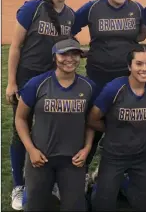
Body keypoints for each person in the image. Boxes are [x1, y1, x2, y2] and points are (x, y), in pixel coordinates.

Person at [5, 0, 75, 210]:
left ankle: (51, 180)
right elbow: (16, 47)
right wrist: (11, 81)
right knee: (20, 130)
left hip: (54, 81)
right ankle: (18, 185)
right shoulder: (32, 8)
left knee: (50, 130)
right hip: (27, 79)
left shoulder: (70, 15)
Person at [71, 0, 144, 177]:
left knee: (126, 121)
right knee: (92, 124)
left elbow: (143, 32)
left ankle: (121, 171)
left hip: (126, 77)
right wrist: (76, 49)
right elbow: (69, 27)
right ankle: (81, 171)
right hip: (98, 76)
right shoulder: (93, 8)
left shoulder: (137, 9)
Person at [15, 37, 96, 211]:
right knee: (36, 206)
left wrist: (87, 148)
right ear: (54, 57)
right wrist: (31, 150)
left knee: (75, 207)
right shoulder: (37, 84)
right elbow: (20, 119)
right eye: (64, 54)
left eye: (75, 54)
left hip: (73, 161)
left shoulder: (88, 87)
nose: (70, 59)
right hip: (40, 159)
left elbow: (91, 123)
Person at [87, 45, 146, 211]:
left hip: (142, 156)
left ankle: (123, 183)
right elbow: (92, 119)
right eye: (139, 64)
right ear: (129, 66)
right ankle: (101, 182)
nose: (144, 69)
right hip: (114, 155)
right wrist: (112, 130)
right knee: (101, 206)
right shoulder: (114, 88)